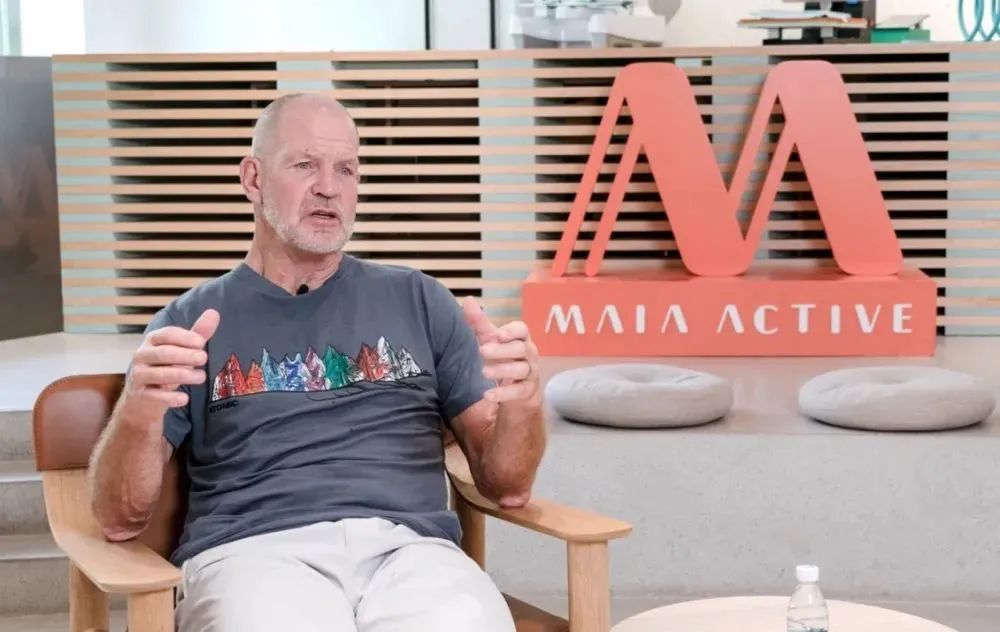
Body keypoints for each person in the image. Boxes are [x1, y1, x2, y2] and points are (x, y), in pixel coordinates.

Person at [87, 93, 546, 632]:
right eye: (305, 164)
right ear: (253, 179)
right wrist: (139, 411)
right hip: (254, 552)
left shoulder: (420, 300)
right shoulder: (188, 322)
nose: (329, 186)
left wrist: (524, 404)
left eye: (345, 169)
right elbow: (119, 519)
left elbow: (508, 486)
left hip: (413, 554)